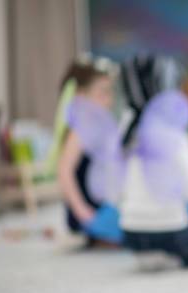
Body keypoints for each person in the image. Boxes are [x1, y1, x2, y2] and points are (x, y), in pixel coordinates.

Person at [119, 56, 188, 270]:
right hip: (168, 233)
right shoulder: (174, 133)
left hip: (130, 234)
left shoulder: (125, 129)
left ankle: (148, 255)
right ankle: (169, 255)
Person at [57, 56, 124, 245]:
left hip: (102, 203)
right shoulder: (84, 123)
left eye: (110, 92)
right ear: (81, 94)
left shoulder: (97, 121)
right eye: (102, 93)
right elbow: (64, 169)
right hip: (93, 210)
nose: (109, 100)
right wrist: (83, 212)